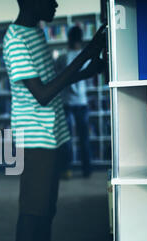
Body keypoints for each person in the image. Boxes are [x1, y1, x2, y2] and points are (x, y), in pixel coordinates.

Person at [3, 0, 105, 241]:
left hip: (53, 134)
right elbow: (44, 95)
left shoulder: (35, 33)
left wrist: (89, 70)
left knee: (45, 212)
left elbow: (50, 82)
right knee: (32, 214)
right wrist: (86, 53)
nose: (56, 2)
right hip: (35, 140)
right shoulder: (16, 39)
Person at [55, 25, 93, 179]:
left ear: (69, 38)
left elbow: (56, 76)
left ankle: (67, 170)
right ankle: (87, 169)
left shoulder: (62, 57)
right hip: (82, 102)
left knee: (66, 140)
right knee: (84, 138)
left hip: (67, 103)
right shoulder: (86, 56)